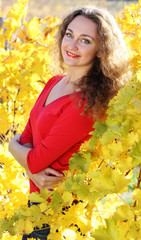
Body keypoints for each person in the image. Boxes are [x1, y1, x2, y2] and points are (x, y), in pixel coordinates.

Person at [8, 6, 130, 240]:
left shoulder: (86, 104)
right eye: (69, 34)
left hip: (60, 217)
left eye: (85, 40)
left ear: (101, 51)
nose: (72, 45)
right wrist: (30, 169)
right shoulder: (54, 82)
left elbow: (32, 156)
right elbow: (27, 139)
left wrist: (13, 149)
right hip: (34, 209)